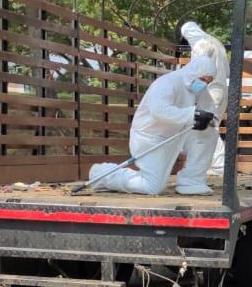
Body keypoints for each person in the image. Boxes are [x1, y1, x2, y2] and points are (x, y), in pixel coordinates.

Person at [91, 56, 217, 195]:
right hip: (150, 138)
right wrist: (192, 114)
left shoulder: (198, 89)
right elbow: (159, 111)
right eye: (204, 79)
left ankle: (191, 181)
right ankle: (102, 174)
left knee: (208, 133)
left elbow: (209, 109)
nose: (204, 84)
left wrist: (208, 120)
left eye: (208, 81)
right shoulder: (168, 82)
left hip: (175, 135)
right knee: (152, 187)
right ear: (194, 71)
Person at [174, 22, 229, 195]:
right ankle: (218, 165)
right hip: (220, 89)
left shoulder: (200, 46)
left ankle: (219, 166)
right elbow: (225, 71)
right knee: (211, 126)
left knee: (207, 128)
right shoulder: (216, 43)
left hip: (210, 90)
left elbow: (197, 72)